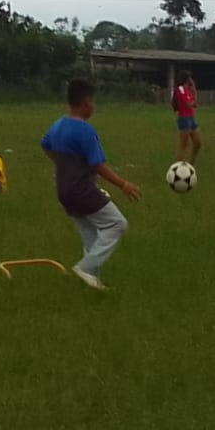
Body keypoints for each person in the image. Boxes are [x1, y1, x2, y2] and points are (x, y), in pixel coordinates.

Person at [41, 78, 141, 291]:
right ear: (86, 102)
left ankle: (92, 281)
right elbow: (98, 165)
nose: (94, 105)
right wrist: (123, 184)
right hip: (82, 190)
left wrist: (63, 165)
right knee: (117, 224)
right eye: (93, 101)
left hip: (64, 191)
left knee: (92, 236)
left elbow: (45, 145)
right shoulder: (85, 130)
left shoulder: (58, 125)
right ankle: (85, 268)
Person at [173, 70, 202, 164]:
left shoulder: (188, 90)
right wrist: (192, 102)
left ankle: (191, 163)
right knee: (183, 145)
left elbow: (194, 103)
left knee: (197, 143)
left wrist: (194, 90)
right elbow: (188, 104)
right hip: (184, 118)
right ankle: (179, 165)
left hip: (191, 117)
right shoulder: (181, 89)